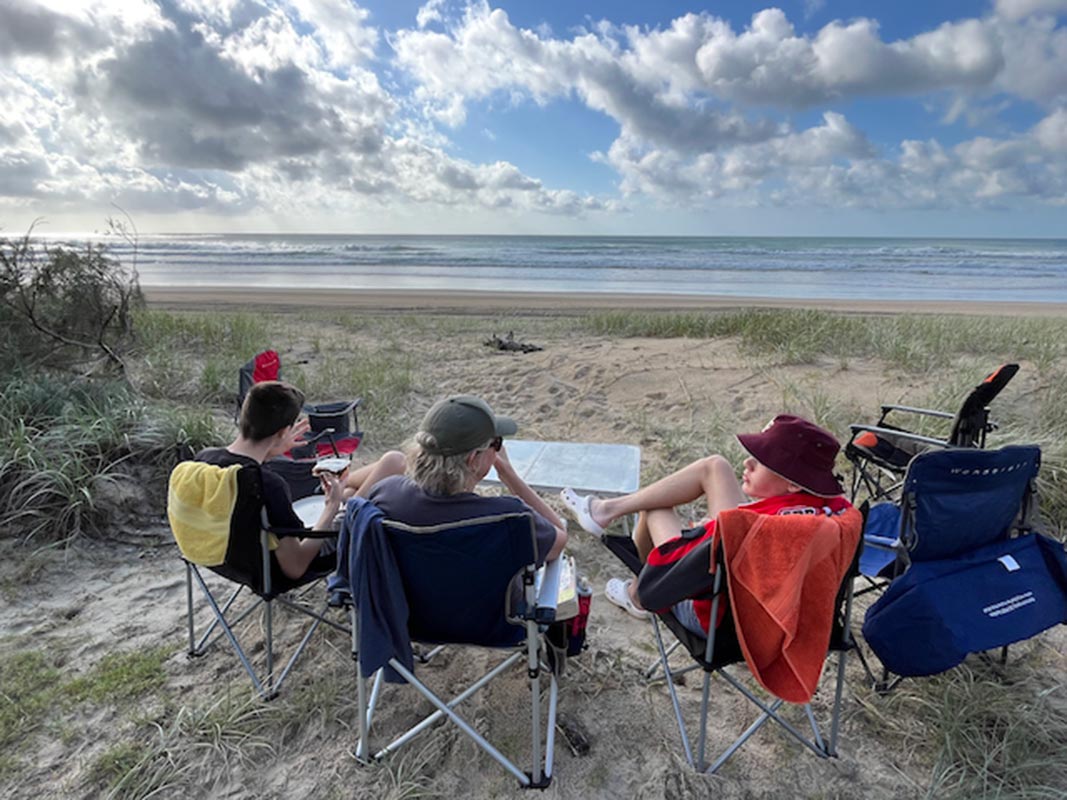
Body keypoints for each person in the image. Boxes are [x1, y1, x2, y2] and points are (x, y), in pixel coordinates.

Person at [561, 414, 852, 634]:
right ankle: (606, 514)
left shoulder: (756, 526)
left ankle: (637, 592)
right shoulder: (833, 512)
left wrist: (704, 535)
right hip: (786, 617)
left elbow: (703, 564)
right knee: (716, 466)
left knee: (656, 507)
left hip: (720, 623)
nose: (748, 464)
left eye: (760, 462)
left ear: (790, 483)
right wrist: (713, 529)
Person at [195, 380, 404, 580]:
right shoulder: (268, 485)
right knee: (394, 463)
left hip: (224, 558)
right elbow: (295, 567)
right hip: (278, 567)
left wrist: (271, 449)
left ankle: (346, 493)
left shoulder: (205, 460)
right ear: (284, 431)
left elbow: (243, 464)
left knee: (368, 479)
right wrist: (332, 508)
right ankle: (346, 496)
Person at [366, 394, 568, 566]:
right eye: (496, 444)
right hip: (487, 614)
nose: (499, 450)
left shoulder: (386, 494)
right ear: (473, 459)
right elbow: (559, 536)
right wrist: (509, 475)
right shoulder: (510, 517)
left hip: (404, 613)